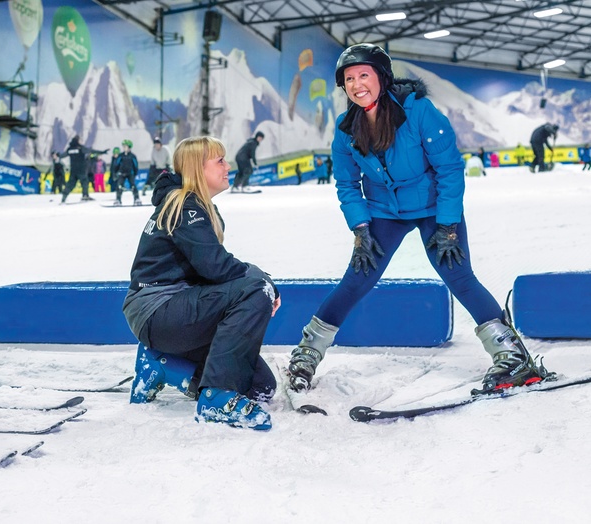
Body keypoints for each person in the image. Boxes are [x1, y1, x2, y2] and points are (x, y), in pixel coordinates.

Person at [286, 43, 551, 396]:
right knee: (355, 281)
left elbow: (450, 170)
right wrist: (361, 228)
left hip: (432, 207)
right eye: (349, 78)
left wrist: (447, 226)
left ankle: (512, 355)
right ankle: (306, 355)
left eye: (364, 75)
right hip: (383, 211)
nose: (356, 84)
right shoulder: (346, 128)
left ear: (381, 77)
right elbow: (347, 184)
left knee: (459, 276)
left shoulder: (419, 112)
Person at [123, 136, 281, 430]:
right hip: (159, 312)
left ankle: (162, 365)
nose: (228, 166)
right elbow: (218, 268)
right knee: (257, 288)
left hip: (170, 312)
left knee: (261, 387)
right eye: (220, 161)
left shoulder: (196, 206)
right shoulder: (185, 206)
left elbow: (211, 273)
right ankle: (217, 398)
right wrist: (265, 281)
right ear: (198, 168)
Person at [60, 135, 106, 204]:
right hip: (81, 170)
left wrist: (58, 155)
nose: (81, 142)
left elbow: (62, 155)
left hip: (73, 171)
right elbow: (91, 151)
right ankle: (85, 195)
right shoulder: (80, 148)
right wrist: (102, 152)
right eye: (80, 140)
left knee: (70, 184)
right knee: (85, 182)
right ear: (78, 141)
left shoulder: (70, 149)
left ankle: (64, 197)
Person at [113, 139, 140, 206]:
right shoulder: (121, 155)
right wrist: (115, 172)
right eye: (123, 146)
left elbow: (135, 165)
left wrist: (135, 173)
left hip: (130, 173)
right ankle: (118, 199)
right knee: (119, 186)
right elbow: (117, 164)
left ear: (129, 147)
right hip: (121, 173)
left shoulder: (132, 156)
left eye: (126, 146)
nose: (124, 148)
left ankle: (136, 198)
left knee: (133, 185)